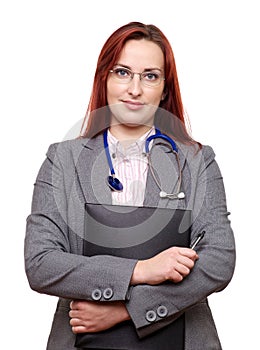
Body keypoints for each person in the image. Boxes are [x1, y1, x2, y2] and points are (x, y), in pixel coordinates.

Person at [24, 21, 236, 350]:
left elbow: (219, 261)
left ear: (165, 88)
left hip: (184, 339)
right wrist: (140, 270)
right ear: (104, 79)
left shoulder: (197, 161)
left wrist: (128, 310)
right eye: (122, 72)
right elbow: (41, 263)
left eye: (149, 75)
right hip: (80, 337)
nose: (134, 89)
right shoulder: (62, 160)